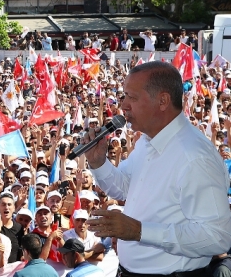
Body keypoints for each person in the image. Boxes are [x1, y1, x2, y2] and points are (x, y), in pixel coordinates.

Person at [83, 61, 231, 276]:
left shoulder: (195, 157)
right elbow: (123, 188)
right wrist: (98, 162)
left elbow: (217, 237)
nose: (123, 106)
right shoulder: (147, 141)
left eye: (132, 97)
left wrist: (139, 231)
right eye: (124, 96)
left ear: (162, 101)